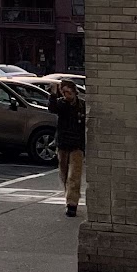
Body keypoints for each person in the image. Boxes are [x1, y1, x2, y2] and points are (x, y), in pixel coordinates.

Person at [50, 80, 86, 217]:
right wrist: (53, 94)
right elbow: (52, 108)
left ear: (74, 92)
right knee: (64, 173)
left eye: (68, 92)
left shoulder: (82, 105)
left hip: (77, 145)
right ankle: (69, 196)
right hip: (63, 144)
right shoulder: (61, 104)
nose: (66, 95)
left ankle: (72, 204)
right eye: (64, 92)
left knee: (74, 175)